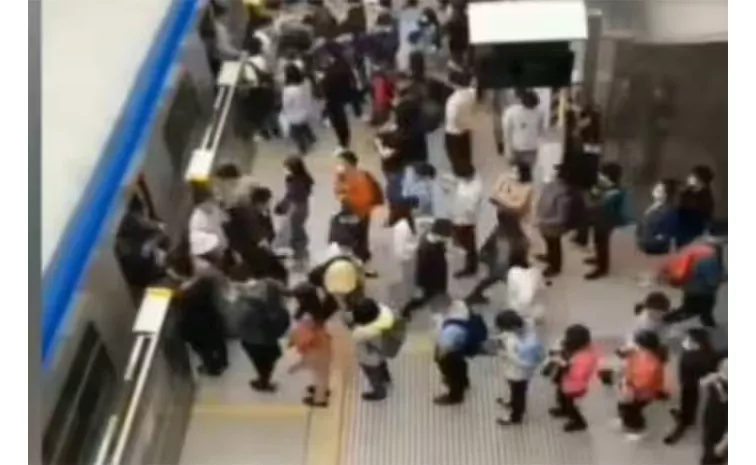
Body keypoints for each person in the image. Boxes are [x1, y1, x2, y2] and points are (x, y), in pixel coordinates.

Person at [174, 232, 229, 377]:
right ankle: (223, 361)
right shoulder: (204, 282)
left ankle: (212, 368)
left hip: (196, 328)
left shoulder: (181, 295)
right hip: (212, 319)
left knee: (204, 350)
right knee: (218, 340)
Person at [660, 220, 726, 328]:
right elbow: (712, 280)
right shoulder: (710, 254)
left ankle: (708, 324)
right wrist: (723, 277)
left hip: (690, 286)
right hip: (702, 290)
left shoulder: (697, 243)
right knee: (697, 310)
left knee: (692, 308)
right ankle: (665, 321)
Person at [664, 328, 718, 445]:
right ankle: (687, 417)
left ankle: (685, 421)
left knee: (688, 401)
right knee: (688, 401)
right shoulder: (702, 351)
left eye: (689, 339)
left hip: (690, 384)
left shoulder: (700, 358)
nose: (685, 341)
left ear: (697, 343)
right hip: (688, 381)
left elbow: (708, 372)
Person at [334, 150, 384, 274]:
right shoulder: (343, 175)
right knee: (358, 236)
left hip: (358, 212)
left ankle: (360, 260)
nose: (338, 165)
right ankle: (362, 256)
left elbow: (366, 198)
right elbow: (338, 189)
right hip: (352, 211)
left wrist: (345, 197)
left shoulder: (360, 177)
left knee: (357, 236)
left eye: (341, 162)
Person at [237, 276, 290, 392]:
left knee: (259, 363)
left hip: (251, 341)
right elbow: (284, 325)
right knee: (268, 363)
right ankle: (265, 380)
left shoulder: (250, 306)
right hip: (269, 342)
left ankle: (263, 381)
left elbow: (240, 322)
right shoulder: (280, 309)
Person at [492, 310, 544, 426]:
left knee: (518, 393)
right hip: (520, 371)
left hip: (518, 372)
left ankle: (515, 416)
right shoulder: (526, 326)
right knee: (516, 390)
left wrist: (506, 354)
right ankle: (512, 402)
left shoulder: (513, 341)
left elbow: (518, 360)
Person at [466, 213, 529, 305]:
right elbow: (521, 245)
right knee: (498, 279)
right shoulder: (508, 232)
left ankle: (475, 295)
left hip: (506, 263)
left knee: (492, 279)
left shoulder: (502, 230)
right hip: (504, 264)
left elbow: (489, 244)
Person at [615, 330, 668, 440]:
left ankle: (637, 429)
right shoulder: (641, 353)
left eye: (635, 342)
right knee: (624, 405)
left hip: (643, 392)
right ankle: (624, 419)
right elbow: (623, 353)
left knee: (632, 409)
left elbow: (643, 382)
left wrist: (629, 386)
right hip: (633, 387)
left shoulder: (650, 361)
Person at [547, 324, 599, 432]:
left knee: (571, 404)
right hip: (565, 381)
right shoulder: (578, 348)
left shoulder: (585, 357)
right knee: (561, 395)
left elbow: (578, 374)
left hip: (574, 386)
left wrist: (564, 364)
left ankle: (578, 422)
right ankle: (563, 409)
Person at [288, 283, 333, 407]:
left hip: (315, 348)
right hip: (323, 343)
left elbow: (306, 336)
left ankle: (320, 400)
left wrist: (295, 341)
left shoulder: (307, 316)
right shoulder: (317, 308)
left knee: (319, 375)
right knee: (322, 372)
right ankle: (323, 390)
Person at [584, 162, 628, 280]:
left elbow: (601, 205)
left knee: (602, 244)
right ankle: (598, 258)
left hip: (606, 222)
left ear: (608, 177)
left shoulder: (616, 192)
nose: (599, 177)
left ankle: (602, 268)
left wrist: (597, 195)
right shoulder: (603, 187)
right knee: (597, 241)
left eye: (602, 175)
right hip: (598, 219)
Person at [403, 219, 453, 317]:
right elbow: (423, 269)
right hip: (430, 279)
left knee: (431, 294)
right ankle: (407, 309)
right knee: (424, 297)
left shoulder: (430, 238)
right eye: (446, 236)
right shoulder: (426, 248)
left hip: (437, 273)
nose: (448, 239)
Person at [351, 298, 395, 401]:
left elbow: (355, 338)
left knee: (373, 376)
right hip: (382, 352)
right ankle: (386, 379)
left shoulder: (362, 332)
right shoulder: (384, 317)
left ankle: (380, 393)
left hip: (368, 359)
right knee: (382, 366)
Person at [274, 156, 314, 264]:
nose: (285, 170)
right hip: (301, 207)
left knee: (295, 227)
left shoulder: (297, 183)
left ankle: (300, 249)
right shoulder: (299, 179)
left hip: (297, 208)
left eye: (287, 168)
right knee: (296, 227)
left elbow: (291, 196)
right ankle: (300, 246)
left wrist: (282, 206)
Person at [320, 44, 359, 150]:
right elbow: (351, 79)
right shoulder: (342, 63)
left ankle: (343, 142)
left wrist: (323, 79)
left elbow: (327, 85)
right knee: (341, 119)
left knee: (338, 121)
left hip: (333, 97)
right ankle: (344, 139)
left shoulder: (332, 70)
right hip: (342, 95)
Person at [434, 299, 472, 405]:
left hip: (450, 353)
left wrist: (440, 357)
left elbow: (444, 345)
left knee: (452, 374)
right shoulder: (462, 314)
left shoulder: (450, 328)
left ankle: (455, 396)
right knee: (461, 366)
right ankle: (464, 382)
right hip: (459, 348)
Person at [448, 163, 483, 278]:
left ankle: (471, 267)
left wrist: (460, 206)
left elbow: (471, 207)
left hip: (466, 220)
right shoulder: (463, 181)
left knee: (468, 244)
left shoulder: (476, 188)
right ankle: (471, 262)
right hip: (457, 216)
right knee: (463, 241)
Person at [535, 166, 571, 278]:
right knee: (549, 243)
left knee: (554, 245)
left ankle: (555, 266)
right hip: (546, 224)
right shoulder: (551, 185)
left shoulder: (563, 195)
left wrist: (543, 221)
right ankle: (549, 256)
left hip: (553, 227)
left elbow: (561, 218)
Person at [247, 186, 288, 283]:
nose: (269, 205)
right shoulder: (251, 217)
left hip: (267, 249)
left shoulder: (264, 213)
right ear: (260, 203)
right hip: (257, 254)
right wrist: (275, 253)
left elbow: (271, 234)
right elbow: (260, 240)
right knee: (280, 272)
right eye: (268, 203)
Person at [444, 67, 476, 176]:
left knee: (455, 155)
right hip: (466, 128)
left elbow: (452, 118)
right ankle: (468, 170)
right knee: (465, 153)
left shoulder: (453, 101)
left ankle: (460, 174)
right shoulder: (471, 94)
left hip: (453, 132)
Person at [502, 89, 544, 170]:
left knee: (515, 175)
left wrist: (507, 148)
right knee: (526, 174)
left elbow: (506, 131)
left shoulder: (510, 112)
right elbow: (540, 131)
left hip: (519, 148)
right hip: (527, 149)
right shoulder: (539, 112)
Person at [636, 179, 679, 257]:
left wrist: (655, 240)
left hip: (657, 250)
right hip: (643, 247)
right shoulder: (650, 207)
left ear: (666, 194)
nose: (655, 190)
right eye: (655, 188)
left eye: (659, 190)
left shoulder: (668, 211)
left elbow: (667, 233)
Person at [188, 185, 229, 264]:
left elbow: (226, 219)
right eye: (214, 196)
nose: (216, 199)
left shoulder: (214, 209)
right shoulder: (196, 217)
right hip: (210, 253)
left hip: (220, 250)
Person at [676, 165, 715, 248]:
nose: (688, 178)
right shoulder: (687, 193)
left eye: (691, 176)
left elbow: (704, 215)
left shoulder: (704, 196)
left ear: (699, 179)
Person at [281, 64, 317, 154]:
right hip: (304, 111)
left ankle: (303, 148)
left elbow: (286, 104)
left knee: (295, 133)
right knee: (304, 125)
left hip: (294, 114)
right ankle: (311, 138)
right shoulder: (304, 84)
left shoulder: (288, 89)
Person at [699, 356, 727, 465]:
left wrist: (723, 444)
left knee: (711, 457)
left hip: (723, 427)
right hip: (711, 418)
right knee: (708, 442)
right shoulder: (717, 379)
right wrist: (711, 380)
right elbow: (702, 384)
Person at [489, 162, 535, 227]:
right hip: (505, 220)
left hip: (518, 224)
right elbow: (494, 192)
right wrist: (503, 177)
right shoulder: (511, 181)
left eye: (516, 171)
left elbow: (518, 206)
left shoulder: (527, 188)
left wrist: (501, 201)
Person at [505, 253, 547, 323]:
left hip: (514, 308)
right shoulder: (535, 272)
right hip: (528, 309)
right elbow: (541, 289)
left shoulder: (512, 272)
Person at [391, 208, 419, 310]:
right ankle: (408, 304)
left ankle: (403, 307)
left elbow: (399, 246)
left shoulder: (400, 226)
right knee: (408, 282)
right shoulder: (407, 224)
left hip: (403, 260)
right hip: (409, 258)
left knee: (403, 284)